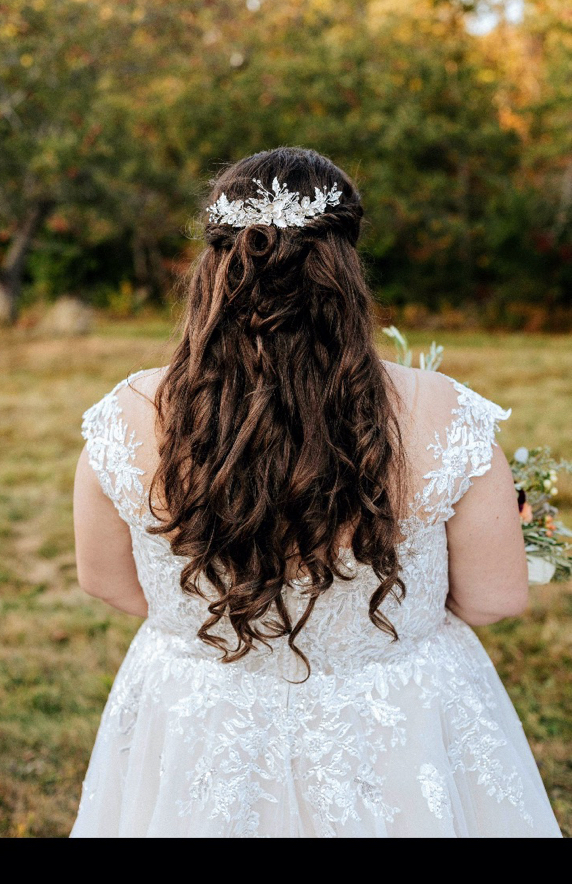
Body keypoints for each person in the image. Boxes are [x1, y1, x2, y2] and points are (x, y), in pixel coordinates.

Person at [71, 147, 562, 838]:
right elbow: (496, 597)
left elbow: (106, 582)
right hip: (394, 724)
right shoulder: (446, 414)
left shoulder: (126, 414)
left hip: (200, 720)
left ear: (215, 264)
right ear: (345, 265)